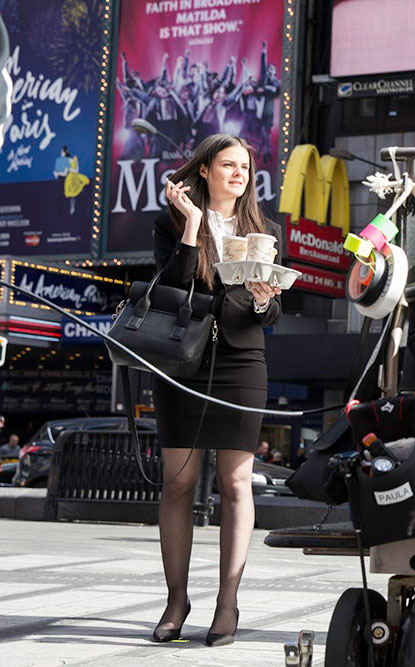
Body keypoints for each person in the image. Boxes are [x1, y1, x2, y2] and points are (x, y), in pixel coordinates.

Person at [151, 133, 283, 646]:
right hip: (182, 361)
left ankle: (227, 602)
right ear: (203, 170)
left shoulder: (266, 231)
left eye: (244, 168)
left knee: (235, 483)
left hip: (242, 361)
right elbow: (171, 289)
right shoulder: (171, 222)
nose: (238, 174)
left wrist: (261, 298)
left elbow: (271, 313)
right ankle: (176, 600)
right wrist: (192, 227)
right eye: (227, 165)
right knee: (179, 483)